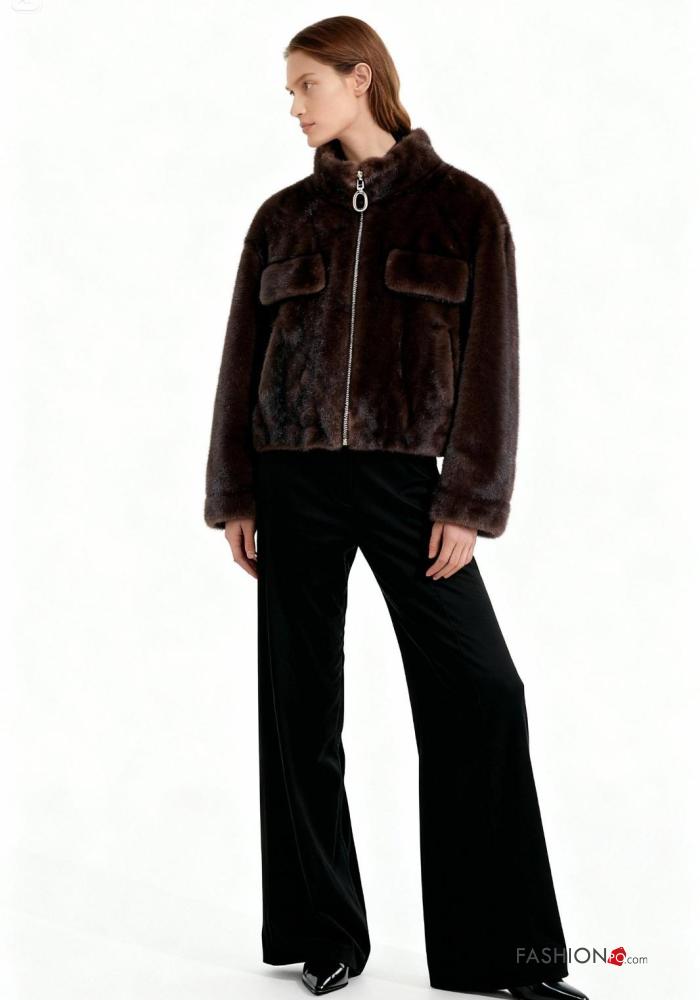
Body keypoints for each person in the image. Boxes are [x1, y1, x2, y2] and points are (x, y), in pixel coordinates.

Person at [203, 16, 589, 1000]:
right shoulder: (281, 219)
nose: (294, 105)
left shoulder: (465, 210)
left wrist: (469, 498)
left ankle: (504, 955)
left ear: (359, 78)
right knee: (299, 704)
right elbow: (241, 362)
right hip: (291, 479)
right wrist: (236, 490)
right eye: (290, 90)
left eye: (306, 85)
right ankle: (322, 933)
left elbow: (492, 369)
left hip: (407, 484)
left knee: (482, 692)